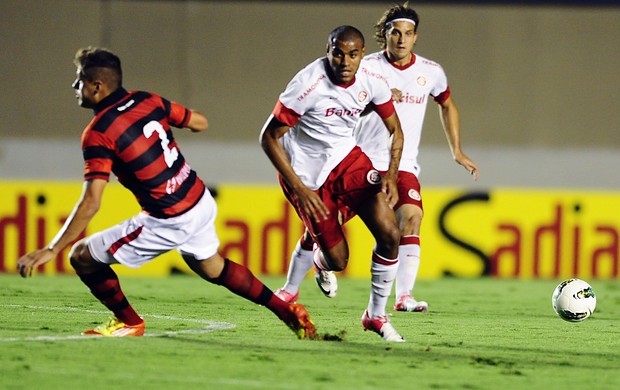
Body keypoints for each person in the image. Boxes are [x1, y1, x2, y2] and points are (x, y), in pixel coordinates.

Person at [16, 47, 316, 340]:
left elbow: (92, 201)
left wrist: (52, 249)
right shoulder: (148, 100)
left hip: (170, 218)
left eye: (79, 80)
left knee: (81, 256)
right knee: (214, 268)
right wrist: (175, 122)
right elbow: (200, 122)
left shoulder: (98, 132)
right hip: (198, 199)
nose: (74, 86)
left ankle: (129, 322)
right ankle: (285, 309)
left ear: (97, 86)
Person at [275, 2, 479, 313]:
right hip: (355, 162)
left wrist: (457, 150)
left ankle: (404, 296)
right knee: (324, 229)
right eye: (395, 32)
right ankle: (293, 286)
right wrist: (378, 101)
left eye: (408, 34)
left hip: (401, 164)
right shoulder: (363, 66)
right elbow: (344, 102)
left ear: (416, 38)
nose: (401, 39)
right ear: (384, 35)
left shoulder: (431, 72)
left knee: (411, 219)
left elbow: (447, 103)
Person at [260, 26, 406, 342]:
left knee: (391, 233)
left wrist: (392, 175)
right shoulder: (306, 84)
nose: (344, 61)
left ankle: (375, 316)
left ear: (362, 55)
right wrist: (299, 189)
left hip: (346, 160)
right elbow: (268, 137)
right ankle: (318, 259)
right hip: (305, 175)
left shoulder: (373, 81)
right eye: (338, 52)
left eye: (352, 54)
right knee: (338, 259)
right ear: (328, 50)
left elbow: (396, 130)